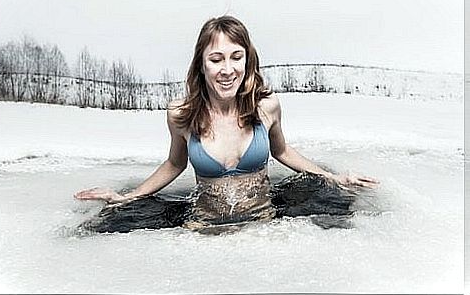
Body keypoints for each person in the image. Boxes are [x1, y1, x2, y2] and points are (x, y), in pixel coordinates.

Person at [75, 15, 378, 229]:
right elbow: (174, 164)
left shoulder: (266, 107)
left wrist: (333, 178)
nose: (227, 69)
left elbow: (283, 152)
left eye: (236, 57)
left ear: (248, 61)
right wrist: (127, 198)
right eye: (216, 59)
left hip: (263, 221)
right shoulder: (181, 114)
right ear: (201, 65)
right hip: (202, 226)